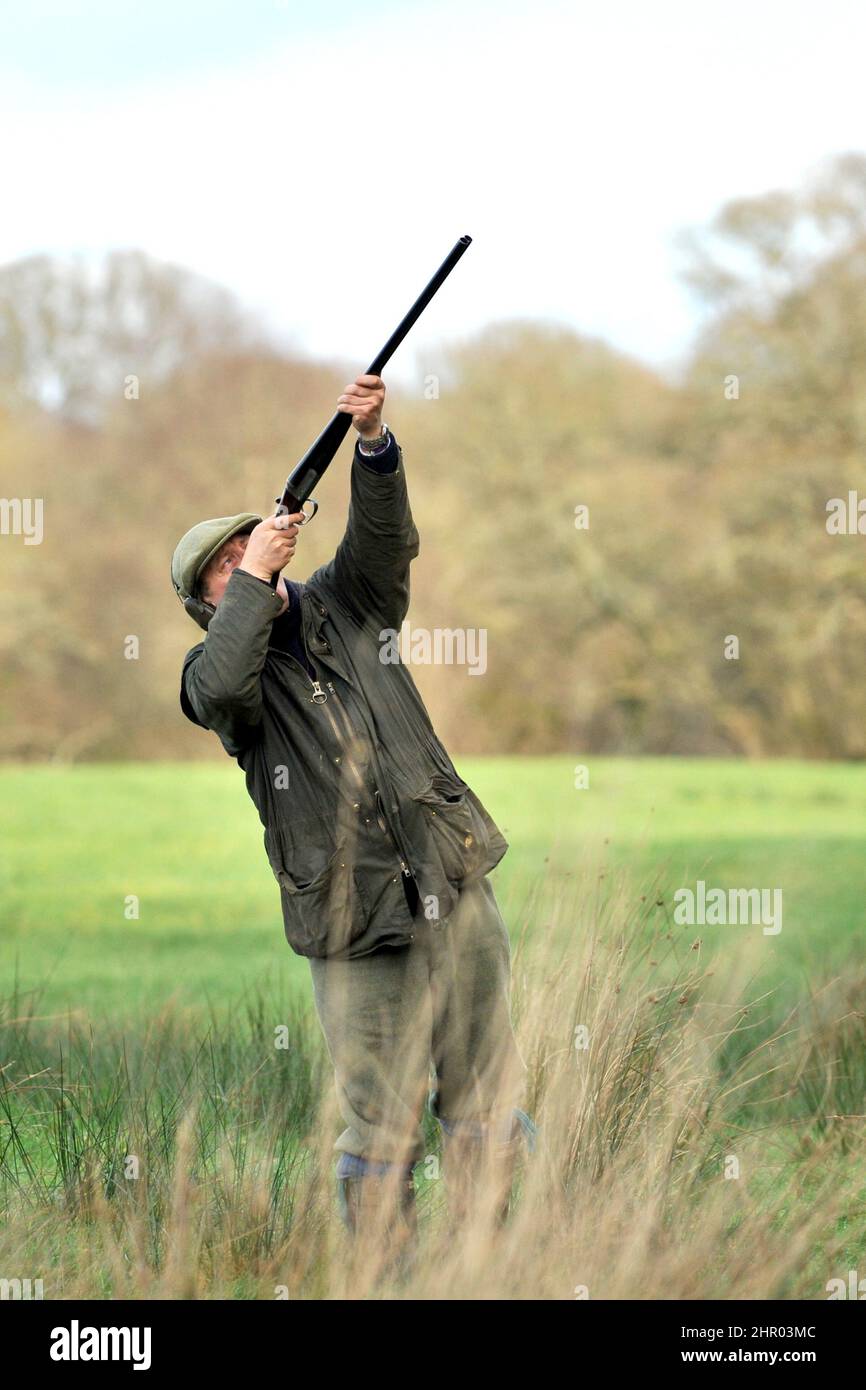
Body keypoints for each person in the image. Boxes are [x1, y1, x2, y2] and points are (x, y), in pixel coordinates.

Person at [171, 374, 534, 1267]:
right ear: (210, 606)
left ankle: (502, 1270)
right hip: (350, 919)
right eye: (224, 570)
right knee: (380, 1127)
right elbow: (220, 685)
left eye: (244, 548)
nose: (244, 563)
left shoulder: (350, 606)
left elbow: (387, 542)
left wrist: (373, 445)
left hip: (452, 883)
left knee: (488, 1100)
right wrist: (254, 578)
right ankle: (385, 1281)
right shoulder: (218, 683)